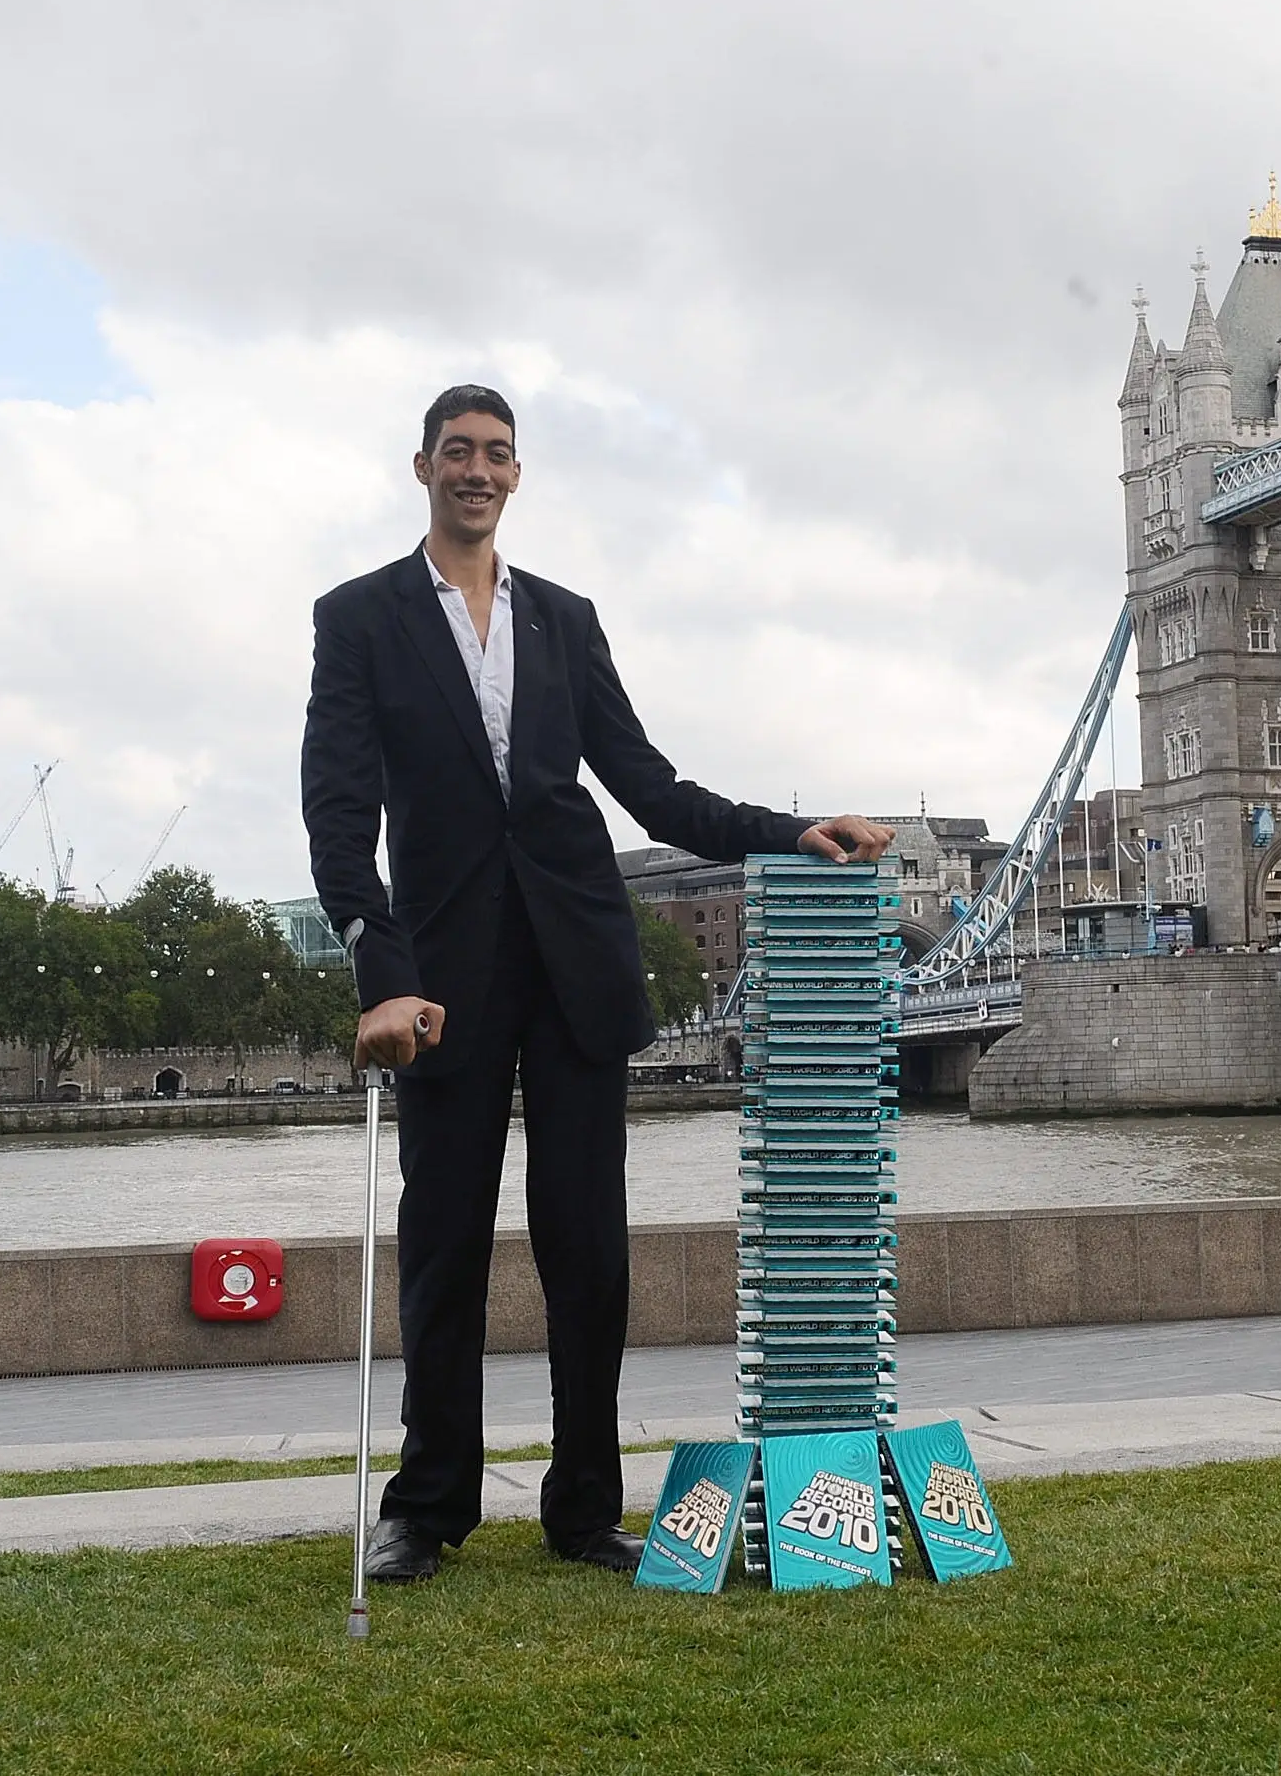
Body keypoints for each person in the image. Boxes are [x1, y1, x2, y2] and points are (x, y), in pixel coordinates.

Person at [302, 384, 893, 1585]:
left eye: (498, 454)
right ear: (421, 466)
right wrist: (381, 971)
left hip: (578, 962)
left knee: (590, 1251)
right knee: (443, 1246)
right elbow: (336, 811)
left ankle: (584, 1510)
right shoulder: (358, 617)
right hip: (442, 985)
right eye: (457, 452)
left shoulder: (565, 620)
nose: (478, 470)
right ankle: (427, 1507)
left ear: (518, 475)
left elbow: (648, 783)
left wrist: (786, 832)